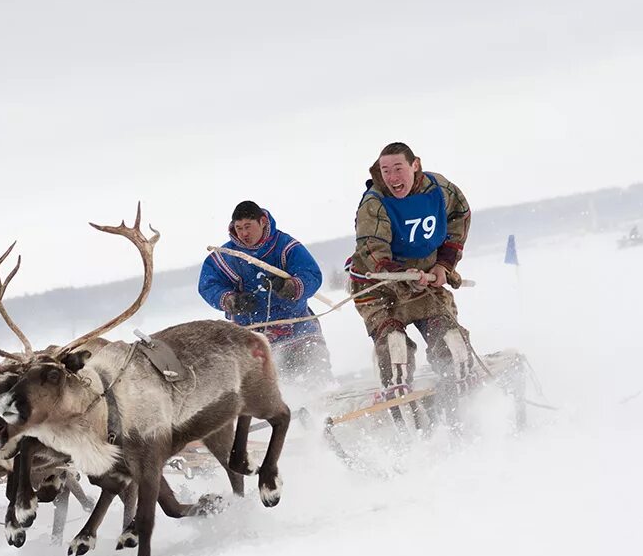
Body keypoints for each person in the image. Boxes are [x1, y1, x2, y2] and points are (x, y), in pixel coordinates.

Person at [347, 141, 472, 395]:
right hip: (379, 288)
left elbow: (459, 217)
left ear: (415, 165)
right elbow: (373, 250)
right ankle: (399, 404)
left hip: (425, 284)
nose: (392, 178)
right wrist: (402, 275)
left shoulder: (439, 189)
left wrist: (443, 265)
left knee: (453, 343)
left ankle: (461, 404)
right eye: (385, 171)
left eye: (398, 168)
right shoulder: (374, 203)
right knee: (395, 350)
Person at [198, 200, 333, 387]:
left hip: (297, 327)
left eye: (248, 226)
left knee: (317, 376)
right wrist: (232, 301)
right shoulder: (224, 256)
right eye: (238, 228)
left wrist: (291, 287)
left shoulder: (286, 246)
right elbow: (208, 285)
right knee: (263, 392)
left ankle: (327, 409)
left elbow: (312, 275)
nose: (243, 233)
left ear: (262, 222)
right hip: (252, 336)